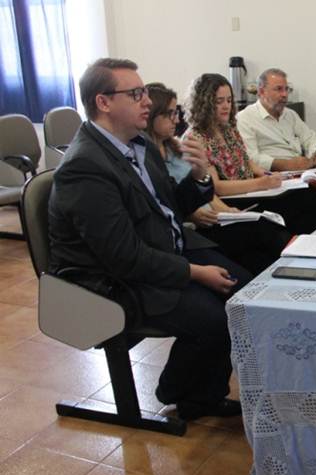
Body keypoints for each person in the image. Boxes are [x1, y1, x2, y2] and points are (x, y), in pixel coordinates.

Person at [48, 58, 252, 421]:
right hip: (114, 281)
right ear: (103, 102)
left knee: (247, 292)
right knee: (217, 317)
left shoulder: (138, 143)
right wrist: (194, 273)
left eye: (144, 92)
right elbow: (122, 256)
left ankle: (195, 392)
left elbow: (171, 205)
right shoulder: (85, 166)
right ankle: (183, 392)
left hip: (162, 252)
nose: (147, 101)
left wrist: (200, 177)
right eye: (136, 94)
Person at [144, 82, 291, 276]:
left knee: (261, 249)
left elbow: (207, 186)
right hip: (196, 225)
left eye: (229, 100)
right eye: (170, 114)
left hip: (214, 214)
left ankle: (291, 269)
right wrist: (192, 213)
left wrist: (227, 211)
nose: (176, 119)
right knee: (263, 229)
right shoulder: (157, 152)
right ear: (152, 115)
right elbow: (197, 191)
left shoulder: (176, 148)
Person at [185, 73, 316, 235]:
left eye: (229, 100)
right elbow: (216, 187)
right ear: (204, 104)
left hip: (251, 191)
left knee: (310, 194)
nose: (226, 106)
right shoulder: (196, 138)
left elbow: (247, 161)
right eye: (219, 101)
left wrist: (268, 175)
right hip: (236, 198)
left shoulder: (228, 129)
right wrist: (261, 183)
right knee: (302, 203)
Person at [236, 68, 316, 202]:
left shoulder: (290, 114)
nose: (284, 94)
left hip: (304, 168)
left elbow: (310, 139)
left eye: (287, 89)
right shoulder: (245, 118)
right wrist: (287, 164)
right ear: (261, 92)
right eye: (278, 89)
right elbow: (251, 158)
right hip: (278, 174)